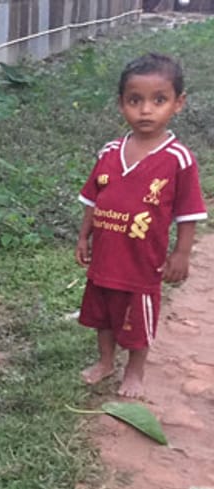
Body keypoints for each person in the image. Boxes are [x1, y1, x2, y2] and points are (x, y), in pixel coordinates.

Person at [75, 53, 207, 399]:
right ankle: (105, 362)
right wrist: (83, 236)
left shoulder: (178, 159)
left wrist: (181, 253)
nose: (146, 110)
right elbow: (93, 199)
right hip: (104, 259)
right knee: (101, 317)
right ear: (121, 105)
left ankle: (135, 371)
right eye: (136, 101)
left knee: (136, 324)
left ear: (178, 104)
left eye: (158, 100)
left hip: (142, 265)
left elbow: (189, 211)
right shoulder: (110, 151)